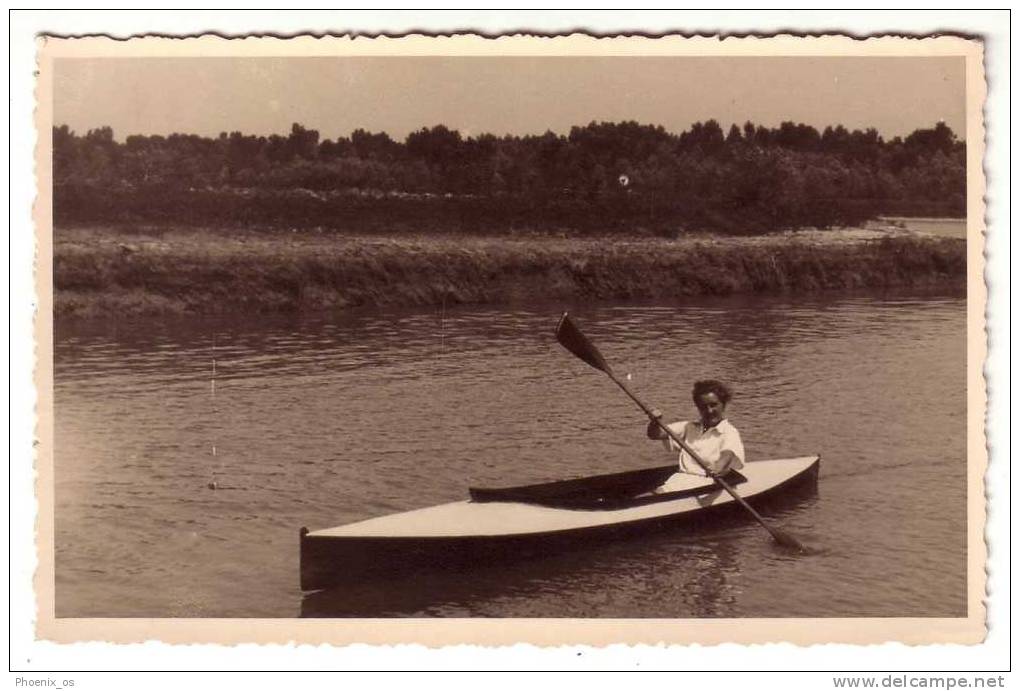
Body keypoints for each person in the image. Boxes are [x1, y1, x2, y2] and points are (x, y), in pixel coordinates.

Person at [646, 379, 745, 494]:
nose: (709, 411)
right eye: (703, 407)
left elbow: (727, 455)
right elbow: (655, 435)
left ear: (723, 404)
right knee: (649, 494)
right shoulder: (689, 427)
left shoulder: (729, 432)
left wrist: (718, 467)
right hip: (681, 479)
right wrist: (654, 421)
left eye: (713, 405)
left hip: (707, 483)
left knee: (654, 495)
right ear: (698, 407)